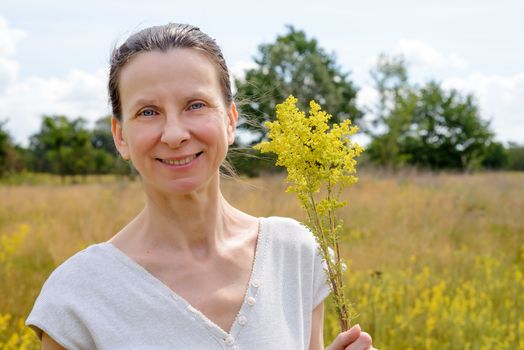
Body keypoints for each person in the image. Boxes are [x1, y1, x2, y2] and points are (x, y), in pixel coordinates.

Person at [25, 23, 374, 350]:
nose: (175, 134)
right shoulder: (77, 294)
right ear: (120, 136)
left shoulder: (295, 253)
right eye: (148, 112)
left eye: (196, 105)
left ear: (230, 120)